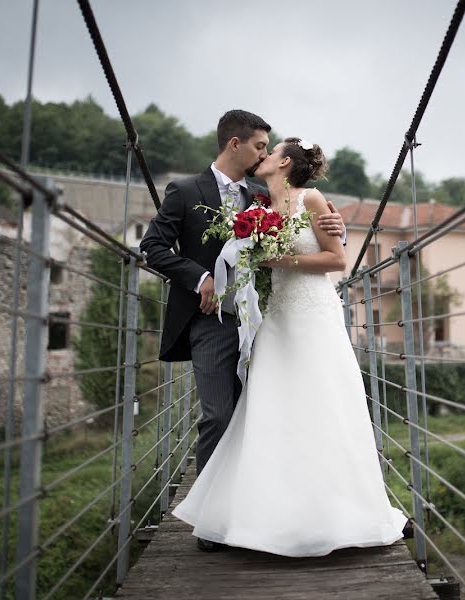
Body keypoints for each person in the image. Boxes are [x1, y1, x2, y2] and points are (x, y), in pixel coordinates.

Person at [171, 137, 407, 557]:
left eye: (270, 149)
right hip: (277, 318)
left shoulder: (311, 198)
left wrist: (277, 259)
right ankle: (268, 516)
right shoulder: (259, 206)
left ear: (283, 162)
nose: (262, 156)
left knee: (321, 407)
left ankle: (334, 514)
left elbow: (337, 260)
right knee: (273, 411)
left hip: (312, 316)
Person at [139, 111, 346, 551]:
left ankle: (266, 509)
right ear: (235, 144)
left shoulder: (264, 192)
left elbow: (303, 220)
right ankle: (213, 520)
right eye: (258, 146)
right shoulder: (184, 191)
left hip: (264, 319)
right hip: (211, 320)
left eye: (267, 149)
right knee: (218, 415)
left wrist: (335, 223)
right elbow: (152, 247)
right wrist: (200, 278)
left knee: (268, 414)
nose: (263, 154)